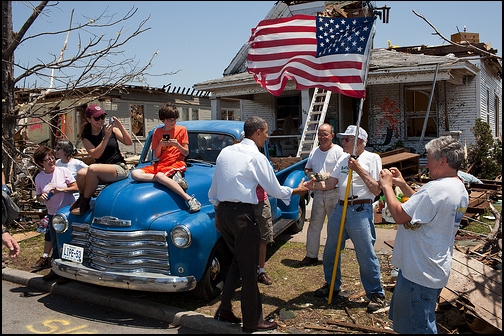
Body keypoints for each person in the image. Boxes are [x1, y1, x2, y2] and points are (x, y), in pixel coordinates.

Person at [208, 116, 309, 332]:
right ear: (257, 133)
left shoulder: (226, 152)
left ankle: (224, 309)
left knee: (237, 260)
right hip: (242, 215)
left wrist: (218, 212)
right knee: (250, 268)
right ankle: (253, 321)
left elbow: (214, 189)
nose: (267, 136)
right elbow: (274, 189)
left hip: (224, 213)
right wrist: (296, 191)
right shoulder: (256, 157)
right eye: (265, 132)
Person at [379, 136, 469, 334]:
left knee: (417, 328)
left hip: (419, 272)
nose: (426, 163)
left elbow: (400, 215)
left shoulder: (436, 189)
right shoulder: (457, 187)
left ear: (443, 161)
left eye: (429, 158)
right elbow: (422, 205)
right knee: (414, 323)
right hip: (430, 268)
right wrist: (402, 184)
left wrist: (386, 186)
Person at [305, 125, 386, 313]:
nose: (342, 142)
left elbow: (376, 190)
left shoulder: (372, 158)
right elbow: (331, 183)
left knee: (365, 253)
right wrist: (313, 186)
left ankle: (376, 293)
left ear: (359, 142)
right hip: (340, 208)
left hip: (360, 209)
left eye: (347, 139)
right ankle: (332, 285)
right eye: (342, 139)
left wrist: (358, 169)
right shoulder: (342, 158)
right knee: (330, 250)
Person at [131, 102, 201, 213]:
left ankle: (189, 199)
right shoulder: (157, 132)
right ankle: (169, 180)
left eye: (175, 119)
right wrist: (160, 145)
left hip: (177, 163)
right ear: (163, 120)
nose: (173, 122)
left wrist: (177, 145)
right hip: (161, 164)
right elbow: (157, 155)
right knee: (135, 174)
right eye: (170, 120)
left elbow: (186, 153)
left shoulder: (181, 130)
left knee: (159, 175)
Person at [31, 139, 89, 272]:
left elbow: (75, 188)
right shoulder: (39, 177)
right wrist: (42, 197)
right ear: (41, 163)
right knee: (56, 243)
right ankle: (57, 270)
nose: (51, 161)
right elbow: (39, 197)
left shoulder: (63, 171)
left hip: (67, 212)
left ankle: (71, 269)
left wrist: (61, 190)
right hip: (52, 214)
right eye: (47, 159)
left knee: (70, 242)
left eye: (52, 158)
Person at [70, 104, 133, 215]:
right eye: (97, 118)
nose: (100, 120)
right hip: (100, 169)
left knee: (93, 169)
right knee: (80, 173)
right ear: (89, 119)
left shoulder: (111, 130)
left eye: (102, 117)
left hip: (118, 167)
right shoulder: (86, 137)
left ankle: (85, 203)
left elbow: (129, 142)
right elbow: (96, 155)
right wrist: (105, 139)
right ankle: (82, 198)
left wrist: (120, 127)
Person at [299, 123, 344, 266]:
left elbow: (343, 170)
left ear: (332, 135)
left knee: (334, 227)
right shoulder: (315, 152)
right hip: (318, 193)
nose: (322, 137)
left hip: (334, 193)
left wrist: (326, 176)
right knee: (314, 225)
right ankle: (311, 255)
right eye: (320, 134)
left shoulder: (338, 151)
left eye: (325, 134)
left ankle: (333, 256)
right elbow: (307, 168)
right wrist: (313, 175)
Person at [256, 185, 274, 285]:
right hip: (244, 203)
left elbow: (267, 181)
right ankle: (246, 271)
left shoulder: (263, 168)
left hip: (261, 201)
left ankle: (261, 271)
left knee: (263, 238)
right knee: (244, 239)